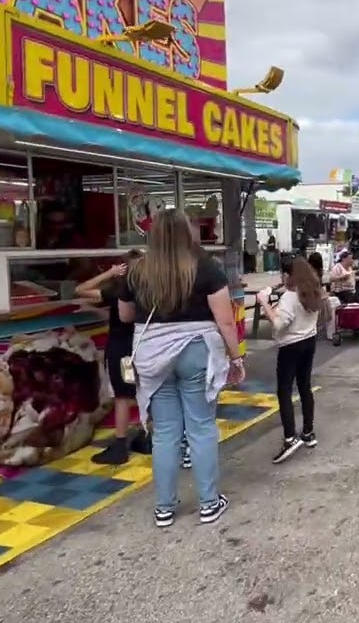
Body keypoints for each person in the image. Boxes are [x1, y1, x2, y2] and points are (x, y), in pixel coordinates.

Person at [117, 209, 245, 528]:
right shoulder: (205, 266)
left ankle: (164, 507)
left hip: (153, 356)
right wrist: (236, 357)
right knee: (201, 427)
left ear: (153, 234)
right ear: (187, 232)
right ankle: (208, 503)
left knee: (165, 433)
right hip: (197, 351)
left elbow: (124, 315)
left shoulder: (136, 271)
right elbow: (225, 319)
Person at [76, 250, 143, 465]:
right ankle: (145, 436)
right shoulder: (149, 291)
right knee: (142, 390)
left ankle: (120, 444)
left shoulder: (118, 292)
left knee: (122, 396)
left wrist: (108, 274)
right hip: (142, 348)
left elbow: (80, 289)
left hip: (121, 351)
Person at [256, 257, 322, 463]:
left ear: (288, 275)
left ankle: (290, 438)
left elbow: (278, 324)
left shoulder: (290, 297)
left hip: (290, 347)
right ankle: (308, 432)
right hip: (309, 341)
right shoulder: (312, 292)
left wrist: (264, 301)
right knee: (304, 386)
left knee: (284, 391)